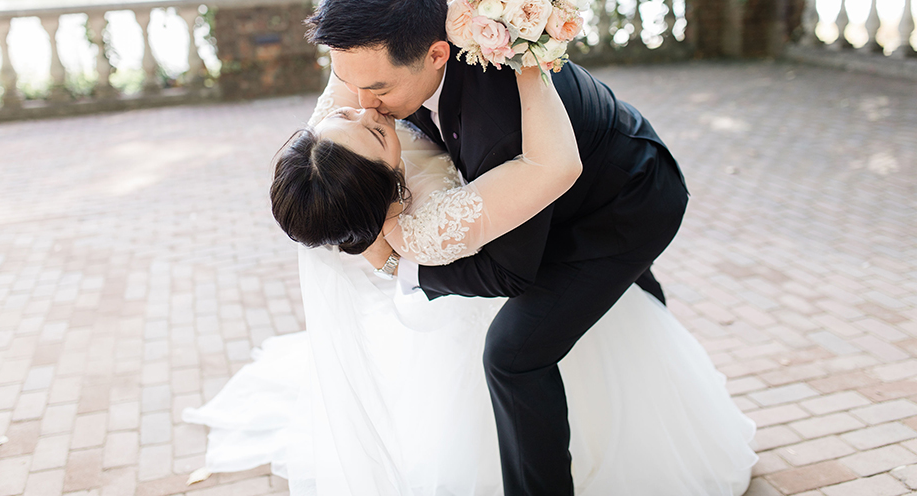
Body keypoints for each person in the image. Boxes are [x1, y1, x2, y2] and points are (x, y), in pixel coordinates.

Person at [183, 55, 757, 495]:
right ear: (390, 189)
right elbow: (503, 262)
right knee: (525, 347)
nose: (367, 107)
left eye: (361, 106)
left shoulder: (345, 125)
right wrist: (392, 256)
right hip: (535, 218)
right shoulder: (418, 217)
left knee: (540, 338)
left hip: (621, 195)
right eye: (374, 131)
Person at [297, 0, 702, 495]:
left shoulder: (500, 114)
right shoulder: (390, 55)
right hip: (566, 189)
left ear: (437, 54)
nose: (364, 107)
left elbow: (511, 273)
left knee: (512, 355)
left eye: (379, 92)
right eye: (351, 84)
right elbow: (341, 114)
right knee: (607, 305)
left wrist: (400, 265)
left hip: (624, 205)